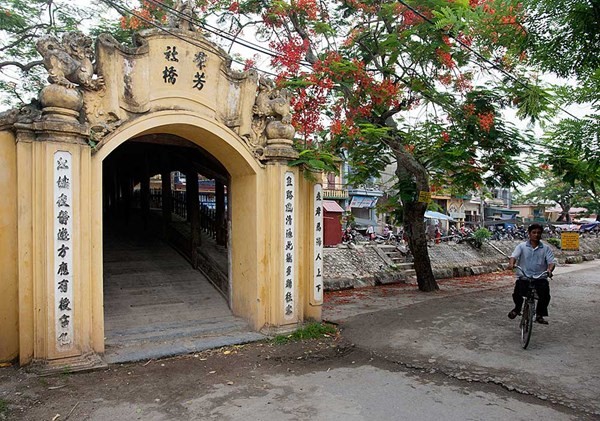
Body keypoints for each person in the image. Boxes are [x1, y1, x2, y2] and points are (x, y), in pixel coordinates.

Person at [507, 223, 557, 324]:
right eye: (534, 232)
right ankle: (517, 309)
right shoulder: (521, 246)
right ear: (529, 234)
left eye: (538, 233)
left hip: (540, 277)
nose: (536, 235)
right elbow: (514, 257)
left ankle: (539, 314)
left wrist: (549, 270)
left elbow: (551, 262)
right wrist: (511, 264)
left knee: (545, 296)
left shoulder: (546, 248)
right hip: (524, 276)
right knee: (517, 293)